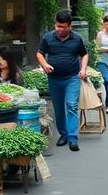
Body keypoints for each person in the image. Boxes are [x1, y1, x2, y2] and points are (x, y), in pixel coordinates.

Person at [36, 10, 88, 152]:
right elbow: (40, 53)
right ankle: (63, 134)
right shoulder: (48, 38)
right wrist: (44, 64)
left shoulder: (77, 39)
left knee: (71, 105)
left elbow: (84, 55)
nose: (60, 29)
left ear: (70, 26)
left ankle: (73, 138)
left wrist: (83, 69)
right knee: (58, 109)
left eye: (63, 27)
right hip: (54, 79)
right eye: (58, 26)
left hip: (72, 78)